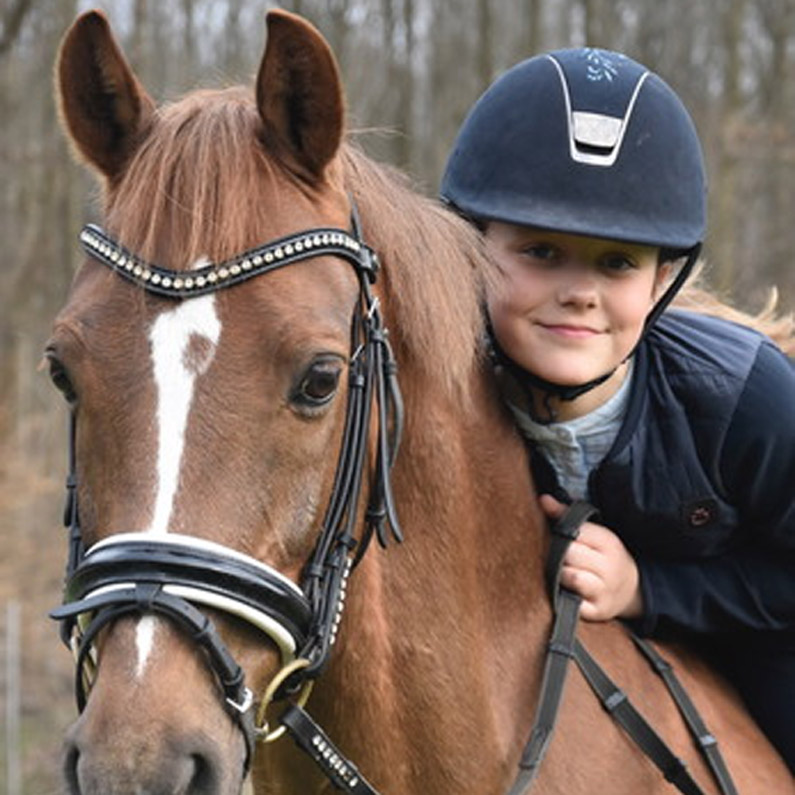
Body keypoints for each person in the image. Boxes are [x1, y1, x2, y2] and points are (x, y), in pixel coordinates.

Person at [440, 47, 795, 772]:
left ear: (662, 276)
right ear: (470, 248)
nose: (579, 290)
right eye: (540, 250)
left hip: (762, 636)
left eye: (615, 262)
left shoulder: (743, 399)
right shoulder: (437, 394)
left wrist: (648, 587)